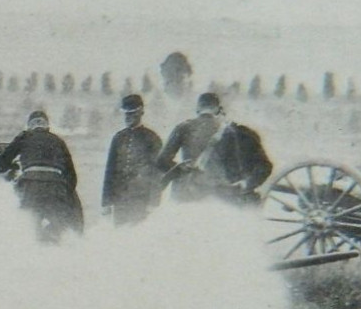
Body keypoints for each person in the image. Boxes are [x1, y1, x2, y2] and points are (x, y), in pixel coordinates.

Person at [156, 92, 273, 204]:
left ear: (197, 110)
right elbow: (265, 166)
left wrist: (183, 169)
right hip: (227, 195)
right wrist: (247, 184)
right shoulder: (238, 131)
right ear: (219, 109)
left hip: (188, 193)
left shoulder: (183, 128)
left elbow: (162, 162)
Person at [0, 110, 84, 242]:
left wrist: (8, 165)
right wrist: (64, 192)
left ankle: (32, 250)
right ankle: (53, 246)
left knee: (28, 226)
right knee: (58, 228)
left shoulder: (24, 137)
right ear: (48, 127)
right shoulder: (58, 141)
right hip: (56, 189)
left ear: (29, 126)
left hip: (31, 187)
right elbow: (72, 177)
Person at [101, 94, 163, 225]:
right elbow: (110, 170)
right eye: (126, 114)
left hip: (141, 199)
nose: (128, 117)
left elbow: (157, 173)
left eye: (132, 113)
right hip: (120, 199)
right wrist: (106, 202)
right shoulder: (118, 138)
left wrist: (153, 202)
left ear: (141, 112)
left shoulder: (152, 138)